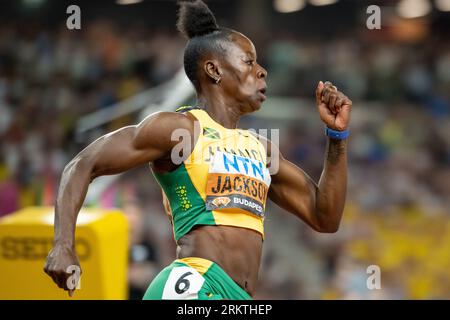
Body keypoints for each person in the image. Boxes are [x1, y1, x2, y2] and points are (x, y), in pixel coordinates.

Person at [44, 0, 352, 300]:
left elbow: (325, 217)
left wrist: (337, 137)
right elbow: (83, 164)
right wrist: (63, 245)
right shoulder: (181, 129)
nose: (262, 71)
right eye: (249, 61)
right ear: (213, 69)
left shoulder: (261, 149)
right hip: (195, 286)